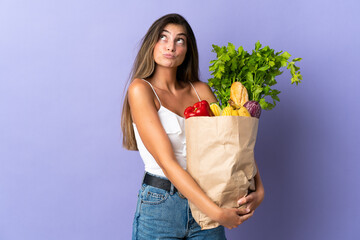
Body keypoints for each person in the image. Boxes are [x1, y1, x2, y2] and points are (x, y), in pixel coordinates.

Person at [121, 13, 265, 239]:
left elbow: (233, 143)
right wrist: (216, 212)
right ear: (152, 43)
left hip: (208, 200)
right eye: (164, 37)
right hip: (161, 206)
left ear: (187, 50)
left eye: (180, 40)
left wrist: (260, 189)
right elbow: (167, 163)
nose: (171, 46)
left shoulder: (201, 91)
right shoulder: (141, 89)